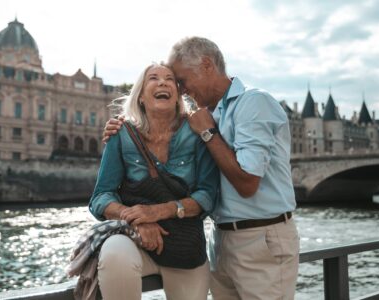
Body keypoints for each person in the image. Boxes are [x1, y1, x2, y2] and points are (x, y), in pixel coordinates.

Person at [104, 37, 299, 300]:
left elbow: (248, 183)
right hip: (221, 239)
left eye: (181, 80)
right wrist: (121, 128)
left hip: (261, 237)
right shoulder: (207, 114)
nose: (182, 90)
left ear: (206, 65)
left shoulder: (253, 103)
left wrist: (207, 132)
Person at [89, 63, 219, 300]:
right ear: (140, 96)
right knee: (114, 254)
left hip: (185, 248)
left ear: (178, 95)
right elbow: (100, 198)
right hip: (135, 241)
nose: (162, 82)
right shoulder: (122, 133)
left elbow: (208, 195)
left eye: (170, 79)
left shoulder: (196, 133)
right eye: (153, 78)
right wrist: (136, 220)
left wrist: (158, 211)